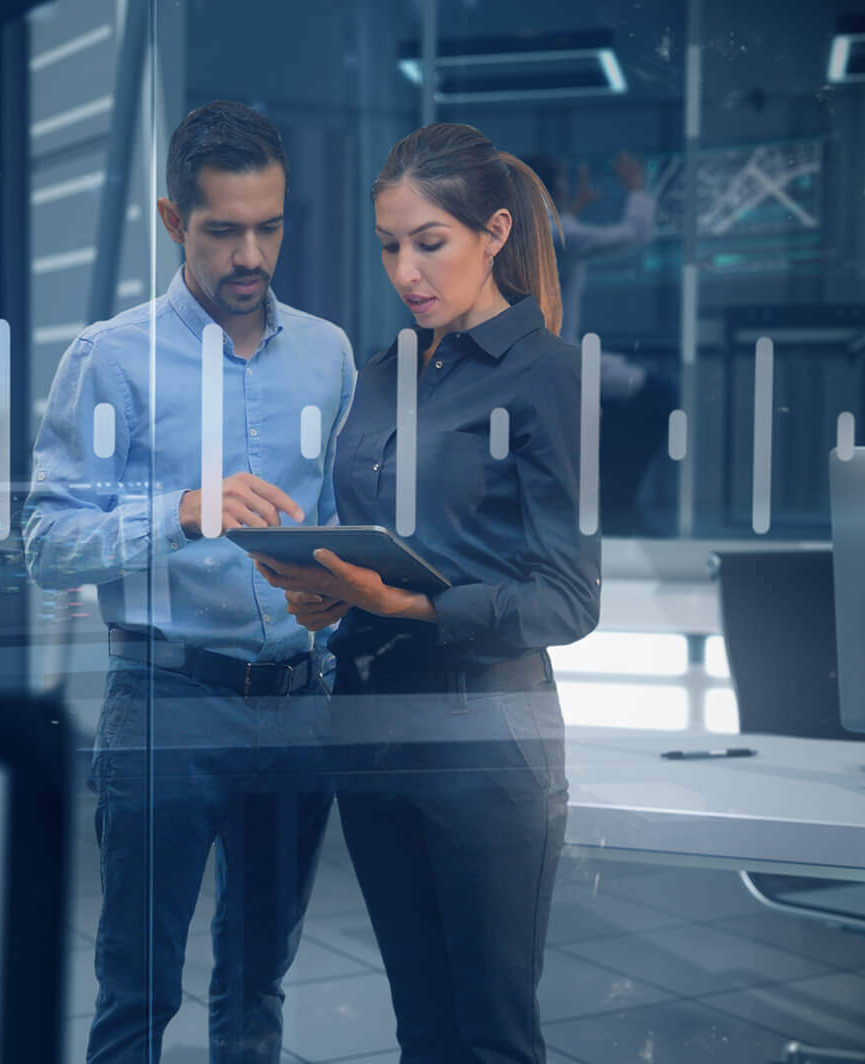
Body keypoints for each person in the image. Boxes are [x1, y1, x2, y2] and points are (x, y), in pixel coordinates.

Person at [253, 123, 601, 1062]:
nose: (407, 269)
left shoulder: (551, 377)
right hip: (371, 727)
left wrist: (407, 607)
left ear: (494, 232)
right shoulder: (381, 376)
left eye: (429, 242)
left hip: (487, 740)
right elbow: (382, 545)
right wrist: (322, 591)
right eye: (390, 245)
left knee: (491, 1035)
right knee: (420, 1028)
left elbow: (568, 601)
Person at [22, 101, 355, 1063]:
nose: (251, 254)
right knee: (138, 994)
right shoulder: (110, 358)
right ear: (174, 221)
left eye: (270, 226)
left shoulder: (327, 354)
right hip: (167, 702)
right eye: (223, 231)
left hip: (298, 701)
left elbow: (329, 516)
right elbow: (47, 541)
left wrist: (337, 588)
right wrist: (181, 512)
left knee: (259, 986)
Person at [525, 152, 676, 535]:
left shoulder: (528, 233)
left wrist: (572, 210)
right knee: (657, 396)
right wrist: (637, 189)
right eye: (560, 183)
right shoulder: (560, 235)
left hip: (542, 363)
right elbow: (634, 235)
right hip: (557, 368)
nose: (566, 187)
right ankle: (615, 497)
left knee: (632, 395)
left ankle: (608, 494)